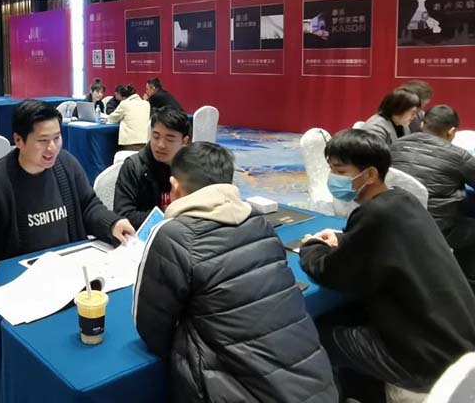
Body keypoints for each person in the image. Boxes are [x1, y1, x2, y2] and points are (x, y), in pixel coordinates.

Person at [134, 142, 337, 402]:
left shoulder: (173, 234)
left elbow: (153, 331)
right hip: (319, 387)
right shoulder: (258, 220)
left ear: (174, 187)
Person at [300, 129, 475, 399]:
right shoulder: (403, 201)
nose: (332, 177)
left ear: (370, 174)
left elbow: (331, 271)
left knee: (315, 335)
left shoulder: (375, 214)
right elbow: (378, 241)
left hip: (423, 363)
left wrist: (311, 246)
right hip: (457, 347)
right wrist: (344, 239)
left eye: (340, 171)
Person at [0, 100, 136, 286]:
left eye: (57, 138)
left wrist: (111, 223)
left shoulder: (67, 165)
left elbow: (88, 206)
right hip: (20, 282)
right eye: (43, 140)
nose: (52, 148)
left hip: (71, 273)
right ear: (18, 140)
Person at [391, 104, 475, 290]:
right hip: (434, 230)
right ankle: (467, 287)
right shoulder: (459, 156)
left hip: (392, 222)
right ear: (451, 131)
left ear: (422, 125)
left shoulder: (395, 145)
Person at [114, 107, 190, 228]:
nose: (161, 145)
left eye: (170, 139)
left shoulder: (191, 167)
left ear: (184, 141)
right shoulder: (134, 167)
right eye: (156, 136)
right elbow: (123, 215)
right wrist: (168, 218)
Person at [106, 84, 150, 151]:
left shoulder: (124, 104)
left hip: (130, 144)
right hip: (146, 143)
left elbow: (111, 119)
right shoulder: (146, 104)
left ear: (124, 97)